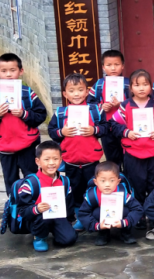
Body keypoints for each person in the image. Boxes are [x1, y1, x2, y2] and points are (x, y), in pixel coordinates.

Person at [0, 53, 48, 194]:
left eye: (13, 70)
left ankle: (34, 203)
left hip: (27, 144)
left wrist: (24, 114)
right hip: (5, 146)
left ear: (21, 71)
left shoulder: (28, 94)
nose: (9, 74)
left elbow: (41, 115)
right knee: (10, 180)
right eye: (4, 71)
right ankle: (14, 204)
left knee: (32, 177)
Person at [47, 73, 107, 230]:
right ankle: (79, 217)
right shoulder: (61, 113)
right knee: (74, 190)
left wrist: (94, 130)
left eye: (80, 90)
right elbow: (52, 131)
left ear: (87, 92)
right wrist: (62, 132)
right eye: (72, 91)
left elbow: (106, 128)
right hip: (70, 160)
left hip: (91, 160)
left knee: (92, 189)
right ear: (65, 94)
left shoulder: (95, 110)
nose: (76, 94)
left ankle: (93, 216)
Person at [110, 69, 154, 213]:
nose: (141, 88)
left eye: (145, 84)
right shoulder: (125, 105)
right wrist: (127, 132)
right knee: (135, 183)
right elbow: (114, 124)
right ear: (131, 88)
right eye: (137, 85)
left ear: (151, 86)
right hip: (133, 152)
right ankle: (138, 215)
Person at [18, 140, 77, 252]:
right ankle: (39, 237)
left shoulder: (65, 181)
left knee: (69, 239)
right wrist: (36, 209)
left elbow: (69, 204)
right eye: (47, 159)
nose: (51, 163)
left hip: (57, 215)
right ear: (38, 161)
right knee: (43, 217)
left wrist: (68, 223)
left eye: (55, 159)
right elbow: (22, 211)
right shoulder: (30, 184)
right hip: (38, 218)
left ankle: (57, 231)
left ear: (61, 160)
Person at [77, 161, 144, 246]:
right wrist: (97, 226)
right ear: (95, 182)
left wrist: (125, 222)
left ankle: (125, 232)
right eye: (102, 181)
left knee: (127, 210)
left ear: (118, 181)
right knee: (96, 212)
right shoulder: (92, 195)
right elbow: (83, 213)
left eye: (112, 180)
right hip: (101, 221)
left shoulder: (123, 193)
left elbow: (138, 209)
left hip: (121, 219)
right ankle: (103, 233)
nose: (107, 184)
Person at [87, 49, 129, 167]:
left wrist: (121, 104)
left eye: (117, 64)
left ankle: (128, 177)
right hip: (107, 127)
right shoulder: (99, 84)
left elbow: (137, 102)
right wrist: (101, 107)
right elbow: (90, 103)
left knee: (128, 157)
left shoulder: (128, 83)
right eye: (109, 65)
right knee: (112, 158)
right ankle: (115, 176)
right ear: (103, 67)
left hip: (125, 127)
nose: (113, 68)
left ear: (123, 66)